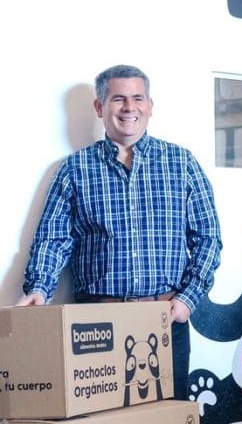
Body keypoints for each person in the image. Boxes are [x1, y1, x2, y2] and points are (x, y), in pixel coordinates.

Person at [18, 64, 222, 401]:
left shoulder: (182, 163)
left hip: (165, 320)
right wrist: (40, 288)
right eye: (118, 99)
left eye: (138, 98)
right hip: (96, 328)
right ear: (99, 107)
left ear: (150, 106)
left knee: (166, 423)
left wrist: (187, 300)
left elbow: (208, 238)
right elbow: (53, 240)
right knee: (103, 423)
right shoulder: (74, 169)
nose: (129, 107)